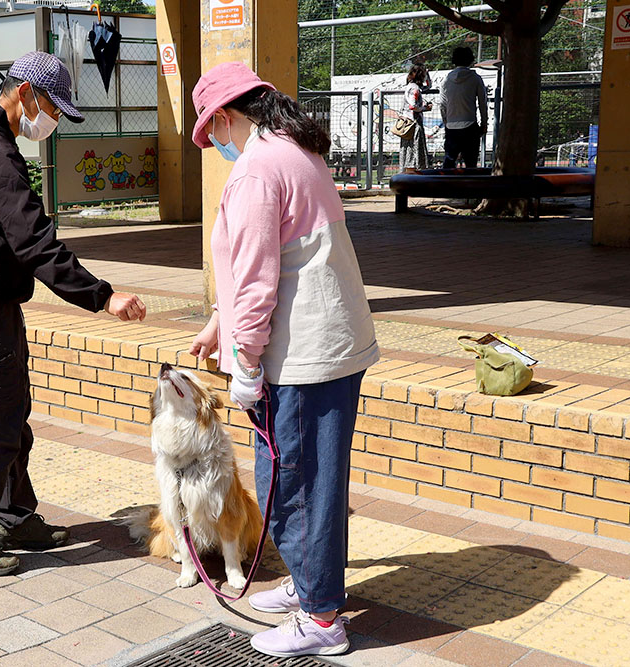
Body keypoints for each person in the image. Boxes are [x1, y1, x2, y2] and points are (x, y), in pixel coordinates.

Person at [187, 62, 379, 658]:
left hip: (303, 356)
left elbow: (255, 279)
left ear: (222, 116)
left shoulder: (255, 170)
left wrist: (243, 364)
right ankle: (309, 586)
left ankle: (322, 620)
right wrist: (224, 322)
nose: (213, 144)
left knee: (294, 485)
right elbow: (279, 259)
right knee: (313, 481)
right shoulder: (296, 152)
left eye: (210, 131)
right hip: (331, 346)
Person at [0, 51, 146, 577]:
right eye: (52, 107)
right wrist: (101, 295)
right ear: (25, 93)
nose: (51, 121)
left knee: (9, 413)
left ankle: (13, 514)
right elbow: (34, 242)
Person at [439, 47, 488, 169]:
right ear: (470, 60)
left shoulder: (446, 80)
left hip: (451, 126)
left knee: (449, 162)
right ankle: (470, 187)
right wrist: (484, 123)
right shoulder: (475, 78)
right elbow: (483, 102)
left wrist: (446, 122)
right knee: (471, 164)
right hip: (470, 125)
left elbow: (442, 104)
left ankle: (445, 186)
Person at [399, 63, 432, 171]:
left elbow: (429, 86)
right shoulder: (414, 89)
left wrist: (428, 74)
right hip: (413, 123)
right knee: (414, 149)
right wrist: (425, 108)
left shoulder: (412, 86)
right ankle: (413, 172)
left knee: (408, 149)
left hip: (408, 123)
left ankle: (409, 171)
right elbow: (413, 106)